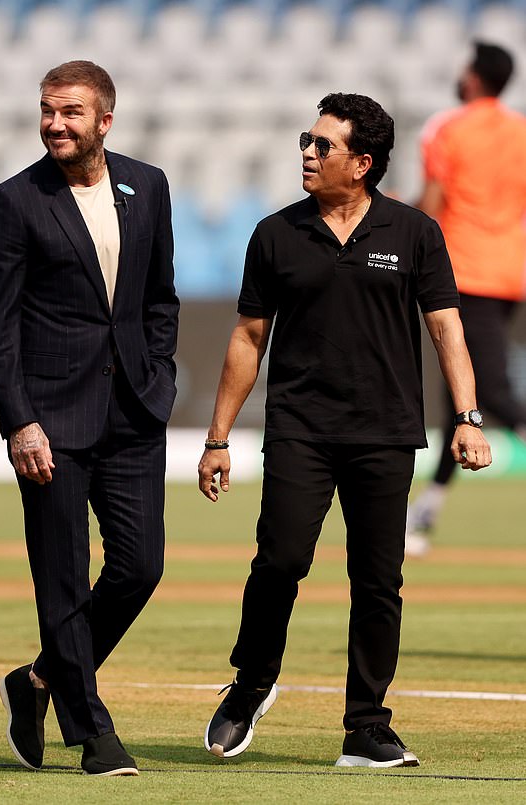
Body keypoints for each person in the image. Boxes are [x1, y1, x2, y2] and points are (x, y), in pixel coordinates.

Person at [198, 92, 491, 768]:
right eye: (307, 138)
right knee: (280, 561)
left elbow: (447, 327)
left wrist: (469, 416)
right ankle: (249, 685)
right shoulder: (274, 234)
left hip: (387, 432)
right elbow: (248, 336)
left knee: (378, 580)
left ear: (361, 163)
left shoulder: (415, 232)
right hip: (300, 427)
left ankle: (366, 726)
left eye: (322, 144)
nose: (307, 150)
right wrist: (218, 437)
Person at [0, 61, 178, 776]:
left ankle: (36, 681)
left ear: (105, 121)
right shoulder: (13, 201)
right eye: (46, 110)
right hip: (50, 423)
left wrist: (161, 375)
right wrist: (19, 420)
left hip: (134, 414)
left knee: (140, 566)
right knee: (62, 579)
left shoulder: (147, 185)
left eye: (70, 112)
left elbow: (160, 298)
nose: (54, 123)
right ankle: (95, 735)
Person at [406, 41, 526, 557]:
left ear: (473, 79)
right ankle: (425, 513)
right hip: (509, 275)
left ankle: (423, 515)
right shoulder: (521, 132)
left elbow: (430, 205)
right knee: (459, 401)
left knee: (490, 396)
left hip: (462, 274)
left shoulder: (447, 128)